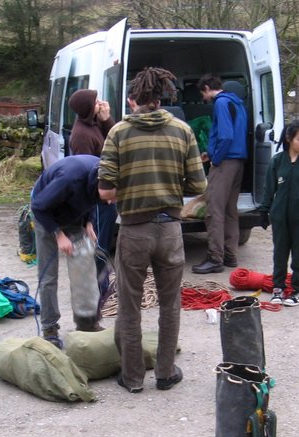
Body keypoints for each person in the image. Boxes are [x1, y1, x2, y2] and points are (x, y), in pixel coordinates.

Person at [98, 67, 207, 393]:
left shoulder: (117, 132)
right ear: (161, 98)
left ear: (133, 99)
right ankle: (164, 373)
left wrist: (132, 186)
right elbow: (199, 185)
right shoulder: (182, 130)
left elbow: (104, 192)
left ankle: (132, 379)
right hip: (171, 230)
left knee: (129, 309)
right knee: (170, 305)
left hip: (133, 231)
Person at [31, 155, 104, 346]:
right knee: (48, 277)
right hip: (46, 215)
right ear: (101, 185)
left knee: (84, 272)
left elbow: (91, 197)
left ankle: (86, 323)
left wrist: (88, 222)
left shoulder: (103, 176)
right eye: (110, 197)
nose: (112, 203)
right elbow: (38, 206)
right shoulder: (70, 179)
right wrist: (58, 234)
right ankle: (50, 329)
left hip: (72, 214)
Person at [259, 117, 299, 307]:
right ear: (289, 138)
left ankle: (298, 290)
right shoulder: (277, 161)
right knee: (280, 253)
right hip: (280, 216)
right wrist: (264, 210)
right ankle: (278, 288)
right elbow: (269, 188)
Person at [192, 74, 249, 274]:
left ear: (207, 88)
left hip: (225, 163)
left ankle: (215, 258)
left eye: (203, 93)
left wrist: (216, 158)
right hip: (238, 161)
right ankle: (230, 255)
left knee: (214, 210)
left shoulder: (221, 103)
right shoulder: (237, 103)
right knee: (230, 210)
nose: (204, 98)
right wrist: (212, 151)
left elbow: (225, 135)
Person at [68, 88, 118, 293]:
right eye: (96, 101)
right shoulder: (81, 135)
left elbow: (115, 143)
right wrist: (98, 198)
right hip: (98, 199)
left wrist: (107, 120)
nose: (101, 103)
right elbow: (84, 174)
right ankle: (99, 288)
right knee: (99, 244)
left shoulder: (95, 124)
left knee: (104, 241)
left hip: (107, 195)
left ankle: (102, 284)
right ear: (88, 108)